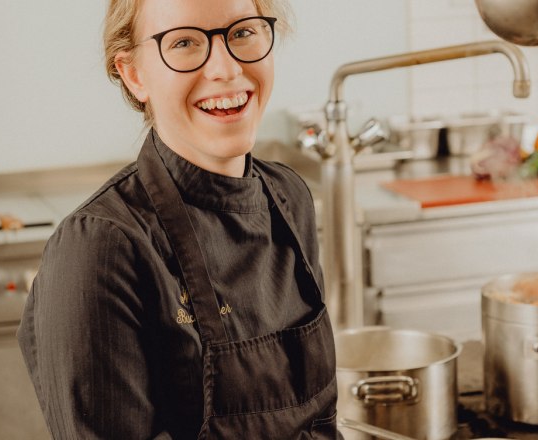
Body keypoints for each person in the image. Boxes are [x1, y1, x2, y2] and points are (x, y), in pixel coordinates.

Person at [17, 0, 340, 438]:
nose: (225, 69)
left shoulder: (289, 197)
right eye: (184, 42)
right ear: (134, 75)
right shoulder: (101, 246)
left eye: (243, 32)